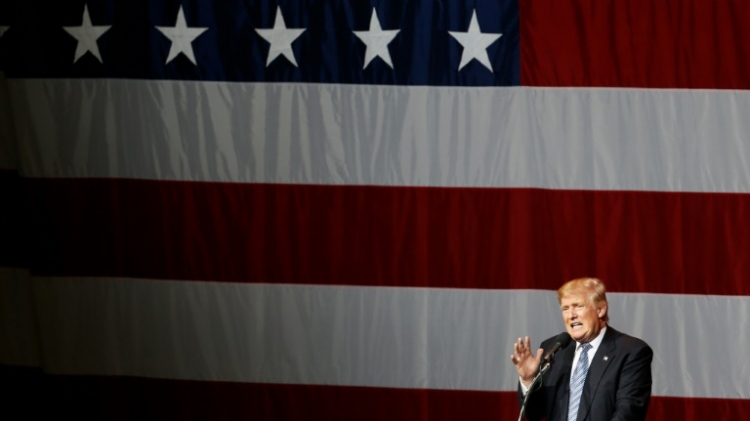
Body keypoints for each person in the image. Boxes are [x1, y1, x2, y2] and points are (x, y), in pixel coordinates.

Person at [511, 278, 652, 421]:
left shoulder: (630, 351)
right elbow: (534, 412)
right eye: (565, 308)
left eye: (578, 306)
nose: (571, 315)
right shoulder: (554, 349)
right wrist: (528, 380)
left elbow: (628, 413)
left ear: (601, 309)